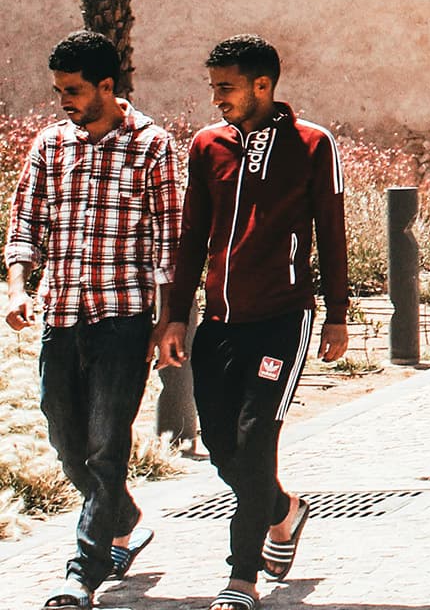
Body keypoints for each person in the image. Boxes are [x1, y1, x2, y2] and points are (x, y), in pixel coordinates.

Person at [153, 36, 349, 610]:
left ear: (263, 85)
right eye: (214, 86)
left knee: (255, 436)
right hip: (218, 322)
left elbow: (331, 233)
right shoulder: (207, 145)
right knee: (219, 442)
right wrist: (174, 317)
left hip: (282, 320)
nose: (216, 98)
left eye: (226, 87)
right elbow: (191, 237)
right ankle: (282, 511)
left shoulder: (312, 143)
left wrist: (336, 314)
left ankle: (241, 577)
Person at [7, 32, 180, 610]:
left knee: (106, 447)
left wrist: (165, 321)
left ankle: (82, 572)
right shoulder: (51, 144)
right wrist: (18, 287)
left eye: (74, 90)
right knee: (64, 437)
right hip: (61, 315)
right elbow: (25, 224)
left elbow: (170, 241)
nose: (64, 100)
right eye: (58, 90)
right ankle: (125, 515)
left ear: (108, 85)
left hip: (121, 319)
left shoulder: (152, 145)